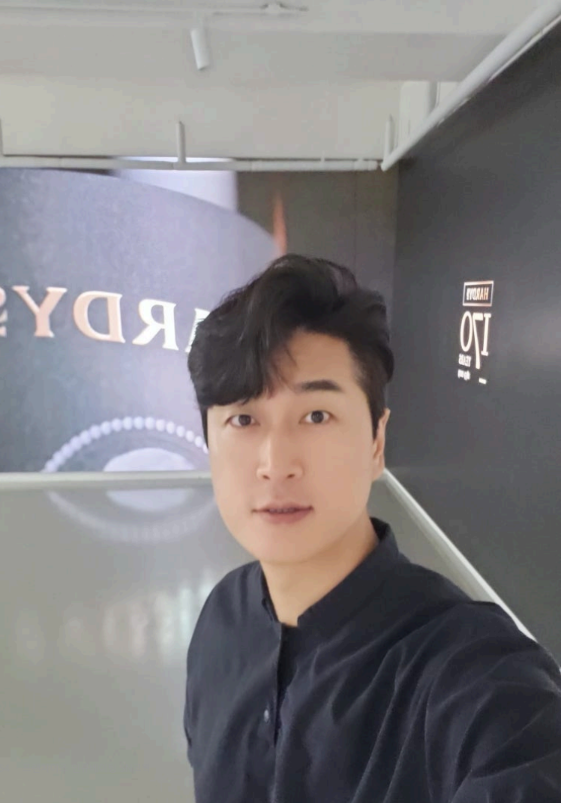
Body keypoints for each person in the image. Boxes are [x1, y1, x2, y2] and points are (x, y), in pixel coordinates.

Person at [184, 253, 561, 803]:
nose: (276, 463)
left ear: (377, 442)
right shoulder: (221, 620)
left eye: (316, 415)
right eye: (243, 419)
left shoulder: (470, 673)